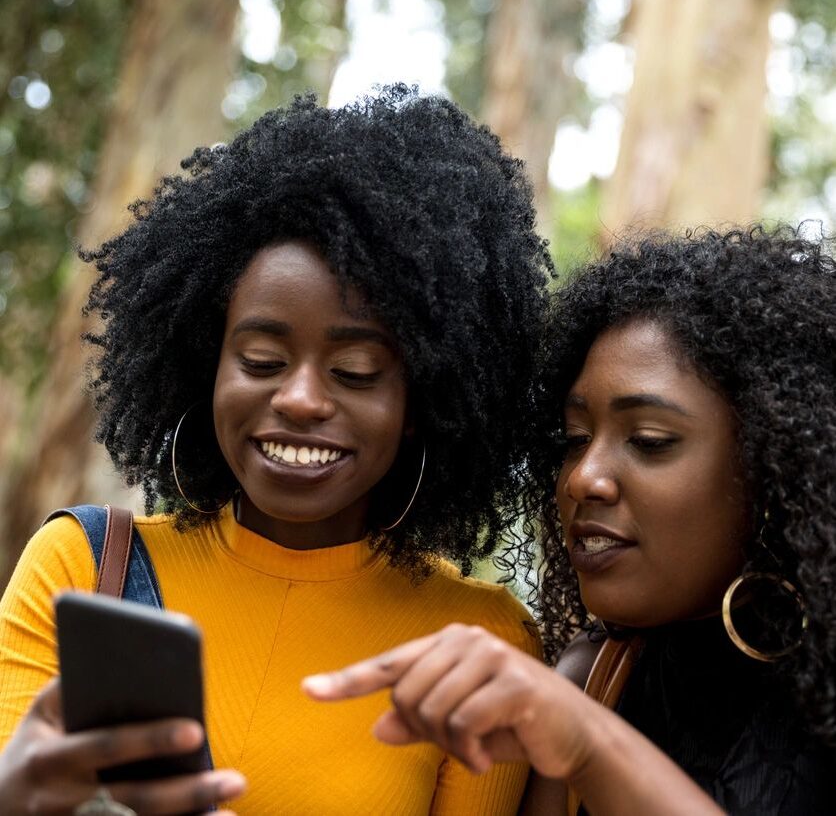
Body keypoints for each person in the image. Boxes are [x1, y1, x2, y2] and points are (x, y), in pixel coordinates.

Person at [0, 85, 551, 814]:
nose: (299, 399)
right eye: (261, 359)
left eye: (355, 372)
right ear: (208, 366)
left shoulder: (481, 642)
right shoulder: (81, 566)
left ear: (422, 404)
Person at [303, 226, 836, 814]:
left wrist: (587, 744)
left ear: (775, 465)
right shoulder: (593, 676)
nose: (583, 477)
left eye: (650, 440)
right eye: (574, 439)